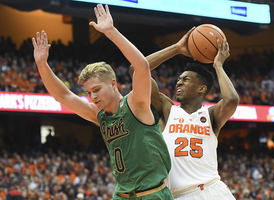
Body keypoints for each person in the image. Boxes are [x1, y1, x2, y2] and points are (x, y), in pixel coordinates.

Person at [32, 4, 173, 200]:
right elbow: (63, 96)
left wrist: (110, 31)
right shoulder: (99, 116)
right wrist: (42, 65)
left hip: (151, 194)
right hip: (121, 195)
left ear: (113, 83)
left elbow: (142, 67)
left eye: (97, 89)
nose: (93, 96)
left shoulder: (136, 104)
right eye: (89, 92)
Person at [129, 27, 239, 199]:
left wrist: (218, 65)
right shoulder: (167, 110)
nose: (179, 83)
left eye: (185, 80)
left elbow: (231, 99)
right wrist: (176, 49)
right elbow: (137, 70)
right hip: (179, 195)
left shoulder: (210, 116)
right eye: (179, 79)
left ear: (201, 89)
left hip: (213, 190)